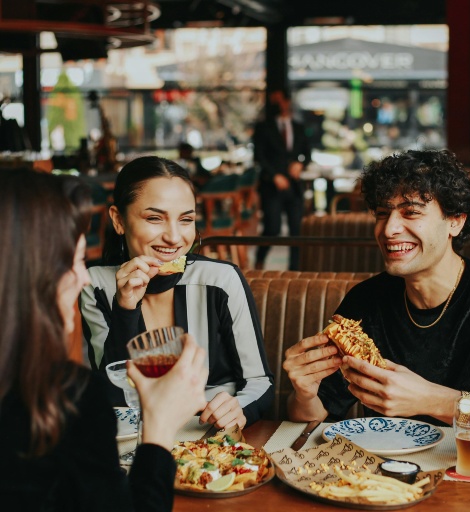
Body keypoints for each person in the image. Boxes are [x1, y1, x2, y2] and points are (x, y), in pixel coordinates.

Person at [0, 168, 208, 510]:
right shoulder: (65, 401)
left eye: (186, 219)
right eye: (73, 261)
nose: (81, 278)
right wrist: (158, 429)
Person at [282, 149, 470, 448]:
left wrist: (434, 401)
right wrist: (304, 393)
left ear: (455, 221)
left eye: (411, 212)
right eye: (382, 213)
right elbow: (312, 418)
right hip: (381, 479)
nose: (389, 229)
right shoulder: (366, 302)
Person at [80, 155, 274, 429]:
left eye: (185, 220)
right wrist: (125, 309)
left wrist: (237, 409)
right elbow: (114, 395)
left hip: (212, 438)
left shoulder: (220, 280)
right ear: (118, 220)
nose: (174, 237)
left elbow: (259, 382)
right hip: (138, 440)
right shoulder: (96, 287)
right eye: (154, 218)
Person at [253, 88, 311, 270]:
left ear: (287, 102)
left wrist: (300, 164)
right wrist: (274, 175)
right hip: (271, 186)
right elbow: (259, 156)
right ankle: (259, 261)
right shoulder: (263, 127)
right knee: (272, 228)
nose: (276, 105)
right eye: (273, 102)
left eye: (279, 101)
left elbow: (307, 154)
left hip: (294, 186)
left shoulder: (299, 127)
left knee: (297, 230)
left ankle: (295, 269)